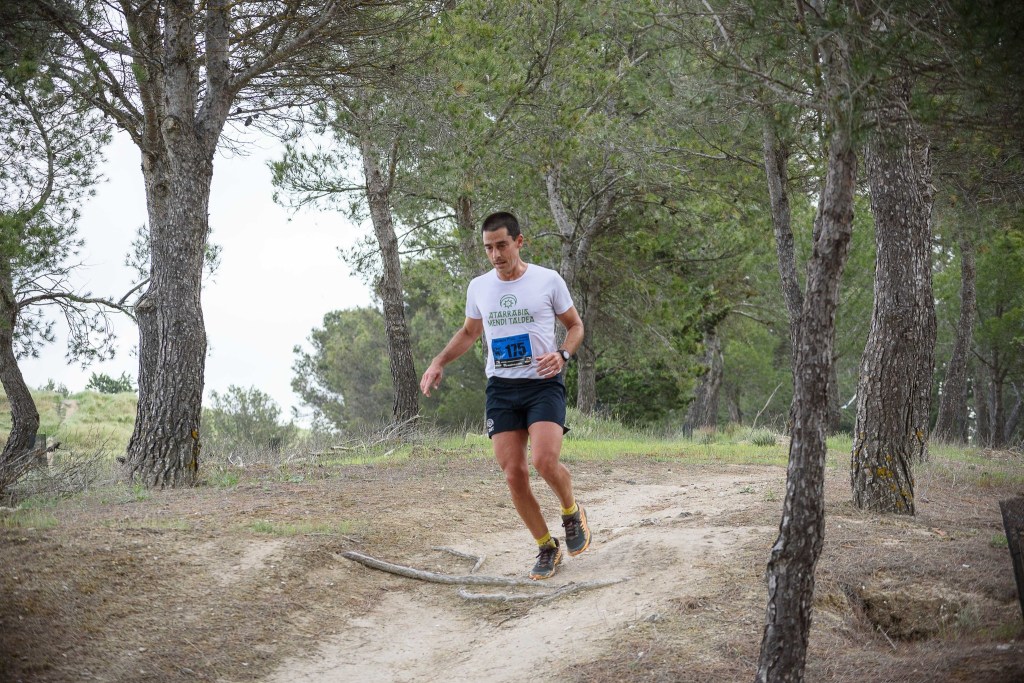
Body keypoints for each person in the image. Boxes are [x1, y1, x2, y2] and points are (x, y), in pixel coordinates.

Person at [420, 211, 592, 580]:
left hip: (543, 383)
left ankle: (571, 512)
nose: (496, 255)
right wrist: (439, 362)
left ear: (518, 242)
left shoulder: (548, 280)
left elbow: (575, 326)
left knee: (545, 461)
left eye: (501, 245)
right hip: (501, 387)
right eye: (488, 248)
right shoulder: (479, 287)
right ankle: (546, 546)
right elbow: (469, 333)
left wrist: (562, 355)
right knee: (514, 474)